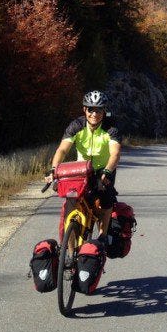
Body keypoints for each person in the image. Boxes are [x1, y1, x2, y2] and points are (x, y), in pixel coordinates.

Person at [48, 89, 122, 239]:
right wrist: (54, 169)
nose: (94, 114)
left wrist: (107, 171)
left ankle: (103, 235)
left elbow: (115, 154)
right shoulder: (76, 126)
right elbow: (62, 150)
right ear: (84, 110)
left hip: (104, 169)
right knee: (70, 205)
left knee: (106, 199)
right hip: (81, 170)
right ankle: (68, 252)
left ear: (104, 111)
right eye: (90, 109)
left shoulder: (111, 128)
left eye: (99, 110)